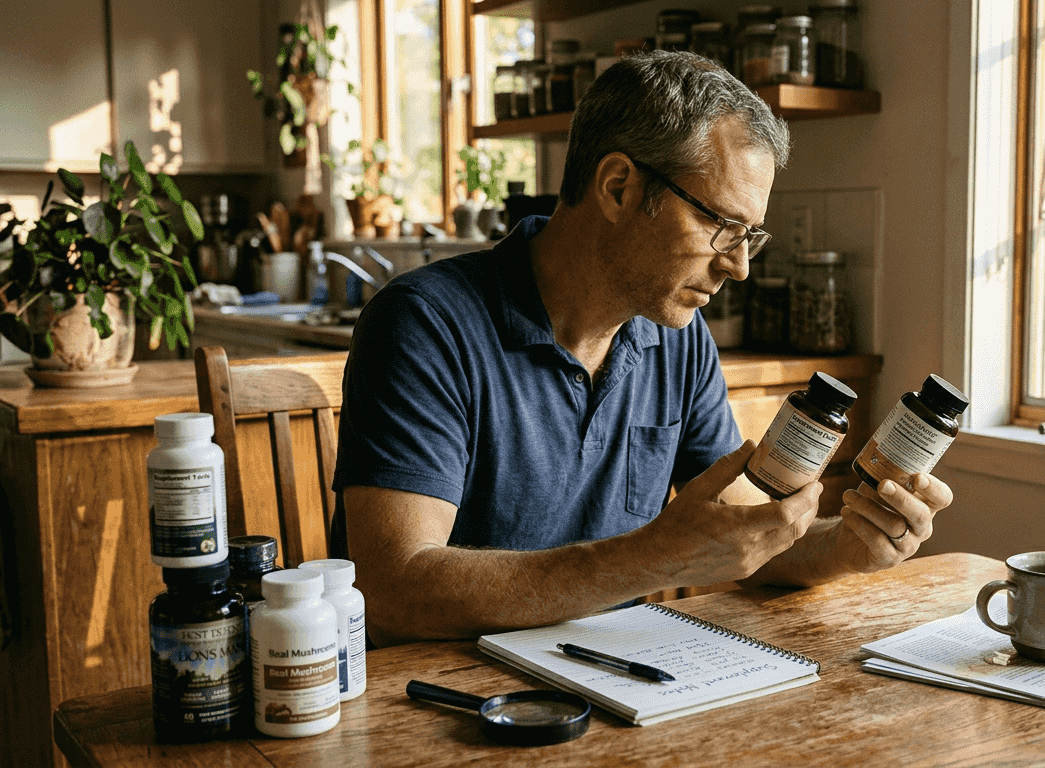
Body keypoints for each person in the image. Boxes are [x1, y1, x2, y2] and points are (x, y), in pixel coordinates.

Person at [331, 50, 953, 646]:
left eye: (750, 236)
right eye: (722, 227)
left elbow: (742, 540)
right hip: (443, 707)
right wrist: (652, 555)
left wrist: (847, 546)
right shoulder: (425, 324)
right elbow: (390, 590)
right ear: (619, 187)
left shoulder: (677, 339)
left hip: (613, 683)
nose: (739, 267)